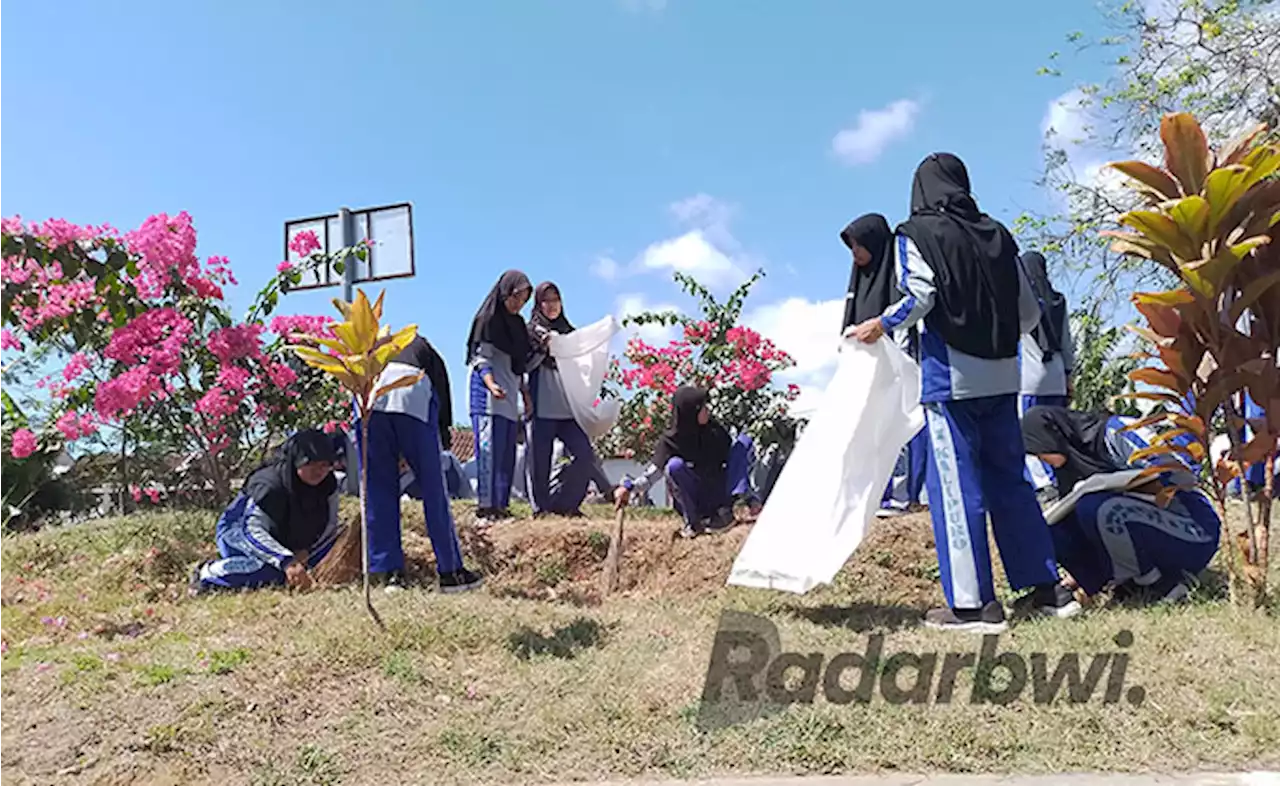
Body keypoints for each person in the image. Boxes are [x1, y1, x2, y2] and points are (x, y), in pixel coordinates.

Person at [850, 152, 1078, 632]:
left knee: (956, 487)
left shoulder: (916, 234)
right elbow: (1028, 312)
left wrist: (880, 323)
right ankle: (1045, 588)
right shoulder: (999, 234)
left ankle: (974, 606)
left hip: (951, 378)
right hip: (1004, 376)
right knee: (1011, 482)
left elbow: (919, 296)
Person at [1021, 405, 1220, 604]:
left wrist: (1122, 488)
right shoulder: (1071, 463)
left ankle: (1157, 584)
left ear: (1053, 435)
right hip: (1143, 526)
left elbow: (1179, 475)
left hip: (1193, 529)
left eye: (1040, 450)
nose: (1041, 458)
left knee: (1097, 507)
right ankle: (1109, 582)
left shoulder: (1119, 432)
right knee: (1056, 526)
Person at [359, 332, 483, 594]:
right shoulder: (423, 346)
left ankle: (390, 574)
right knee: (433, 488)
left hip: (369, 398)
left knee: (378, 489)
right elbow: (441, 388)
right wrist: (443, 432)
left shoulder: (372, 345)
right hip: (411, 394)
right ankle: (451, 572)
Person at [840, 213, 928, 519]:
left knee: (896, 423)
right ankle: (873, 492)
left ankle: (902, 494)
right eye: (851, 248)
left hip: (892, 367)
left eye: (859, 246)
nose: (855, 254)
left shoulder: (895, 278)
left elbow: (902, 330)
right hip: (866, 371)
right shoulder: (859, 280)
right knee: (868, 428)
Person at [190, 430, 341, 594]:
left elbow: (330, 524)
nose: (319, 471)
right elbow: (251, 530)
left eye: (325, 465)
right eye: (311, 464)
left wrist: (307, 550)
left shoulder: (328, 485)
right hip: (240, 533)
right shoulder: (270, 486)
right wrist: (286, 561)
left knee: (334, 551)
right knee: (274, 573)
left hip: (288, 538)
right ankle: (208, 572)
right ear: (297, 460)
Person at [613, 387, 760, 538]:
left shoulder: (715, 431)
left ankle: (725, 512)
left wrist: (750, 498)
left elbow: (735, 466)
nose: (707, 410)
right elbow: (651, 477)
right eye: (702, 407)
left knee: (744, 442)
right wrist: (629, 488)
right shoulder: (671, 441)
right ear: (690, 412)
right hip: (696, 499)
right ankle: (693, 522)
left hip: (717, 493)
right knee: (674, 466)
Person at [525, 281, 606, 517]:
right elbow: (523, 364)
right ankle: (540, 508)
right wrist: (545, 349)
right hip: (542, 406)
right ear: (538, 304)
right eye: (546, 301)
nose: (552, 306)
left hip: (568, 409)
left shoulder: (571, 333)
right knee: (539, 461)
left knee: (584, 455)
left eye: (555, 300)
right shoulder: (531, 332)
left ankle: (566, 504)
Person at [466, 270, 533, 521]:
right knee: (489, 451)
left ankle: (501, 505)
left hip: (508, 393)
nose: (519, 305)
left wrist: (524, 395)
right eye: (516, 298)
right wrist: (491, 384)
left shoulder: (517, 326)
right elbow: (480, 358)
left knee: (506, 454)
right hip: (486, 396)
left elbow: (519, 365)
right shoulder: (487, 319)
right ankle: (485, 505)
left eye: (524, 301)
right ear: (505, 292)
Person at [1017, 251, 1076, 497]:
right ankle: (1062, 478)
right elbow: (1067, 343)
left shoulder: (1021, 301)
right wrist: (1069, 376)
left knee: (1026, 428)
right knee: (1057, 428)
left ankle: (1041, 482)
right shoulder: (1058, 301)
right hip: (1057, 376)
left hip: (1030, 376)